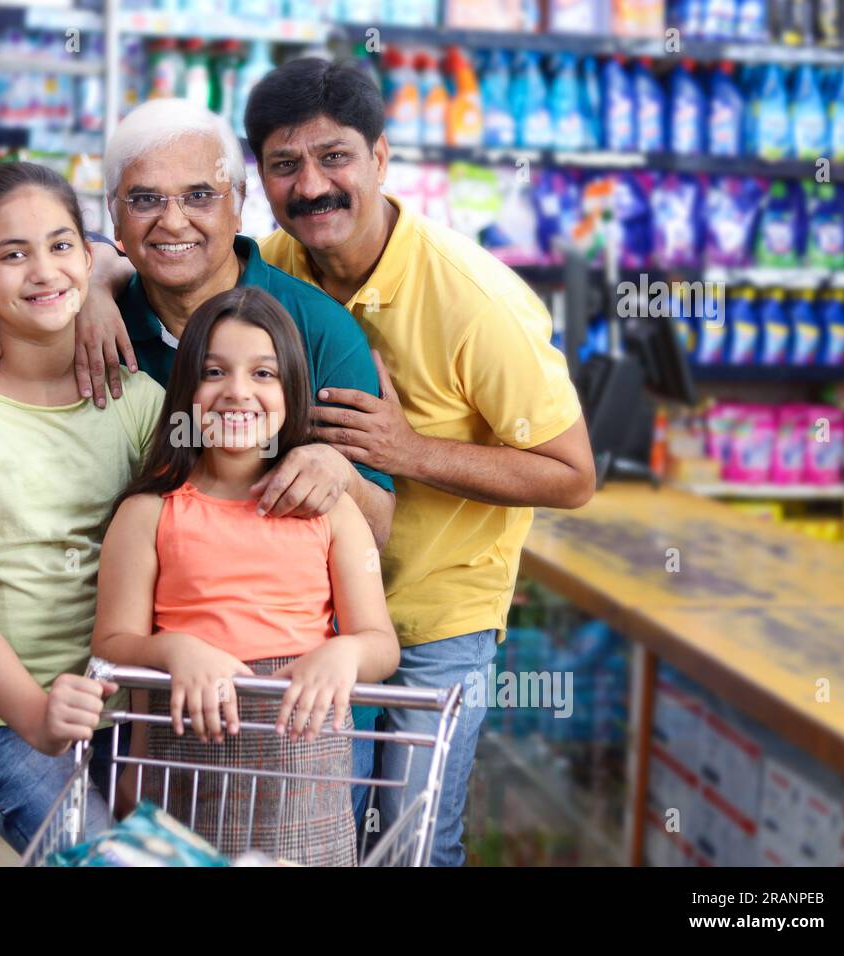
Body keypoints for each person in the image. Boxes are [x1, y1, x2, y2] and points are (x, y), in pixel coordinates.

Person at [242, 58, 597, 866]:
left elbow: (573, 474)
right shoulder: (276, 266)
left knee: (408, 844)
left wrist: (408, 451)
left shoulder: (475, 299)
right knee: (322, 841)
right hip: (319, 613)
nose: (313, 185)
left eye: (335, 156)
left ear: (380, 157)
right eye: (285, 164)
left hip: (435, 621)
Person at [0, 99, 395, 550]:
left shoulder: (319, 330)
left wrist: (339, 475)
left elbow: (377, 533)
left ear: (239, 206)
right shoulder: (78, 319)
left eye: (199, 196)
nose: (173, 221)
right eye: (146, 199)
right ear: (114, 212)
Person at [0, 162, 165, 853]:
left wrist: (140, 715)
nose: (44, 271)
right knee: (107, 860)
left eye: (60, 245)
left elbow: (176, 564)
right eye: (12, 254)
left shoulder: (138, 405)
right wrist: (37, 715)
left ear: (88, 255)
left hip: (119, 698)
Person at [91, 286, 397, 865]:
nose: (238, 391)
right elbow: (109, 647)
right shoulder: (149, 512)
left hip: (303, 778)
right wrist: (175, 649)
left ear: (292, 392)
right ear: (186, 390)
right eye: (214, 371)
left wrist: (345, 655)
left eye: (263, 372)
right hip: (181, 767)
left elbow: (381, 645)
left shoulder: (331, 512)